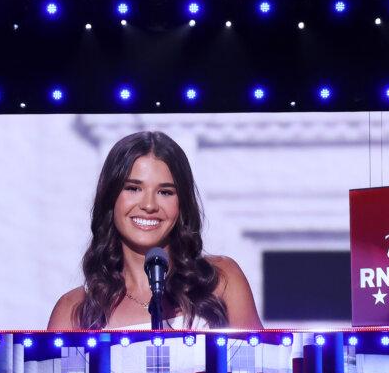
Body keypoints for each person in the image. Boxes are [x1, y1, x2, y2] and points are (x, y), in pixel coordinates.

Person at [47, 130, 262, 331]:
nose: (149, 205)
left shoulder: (221, 280)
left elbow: (264, 367)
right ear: (111, 198)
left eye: (165, 192)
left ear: (182, 204)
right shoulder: (73, 310)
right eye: (133, 188)